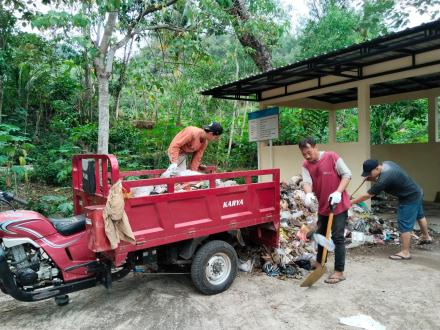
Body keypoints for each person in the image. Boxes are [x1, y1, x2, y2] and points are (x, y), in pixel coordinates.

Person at [351, 159, 432, 260]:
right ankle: (426, 236)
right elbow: (386, 179)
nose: (369, 175)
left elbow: (367, 196)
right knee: (420, 215)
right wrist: (373, 178)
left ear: (377, 168)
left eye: (370, 173)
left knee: (404, 223)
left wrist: (350, 202)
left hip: (409, 198)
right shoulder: (387, 164)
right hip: (417, 192)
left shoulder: (385, 178)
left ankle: (405, 252)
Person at [299, 137, 352, 284]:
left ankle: (339, 271)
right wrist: (308, 193)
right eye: (304, 154)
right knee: (321, 236)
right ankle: (319, 262)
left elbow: (347, 174)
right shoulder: (306, 165)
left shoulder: (331, 156)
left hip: (338, 205)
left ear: (315, 147)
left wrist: (338, 192)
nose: (307, 156)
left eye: (309, 152)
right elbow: (307, 182)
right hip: (323, 206)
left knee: (337, 237)